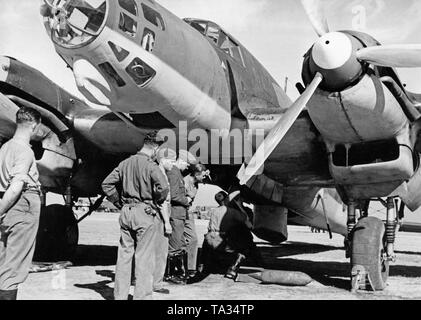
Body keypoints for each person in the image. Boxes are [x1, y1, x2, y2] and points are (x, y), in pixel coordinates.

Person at [102, 131, 169, 300]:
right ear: (155, 147)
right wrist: (156, 201)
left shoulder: (124, 163)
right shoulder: (151, 165)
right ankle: (143, 297)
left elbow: (107, 184)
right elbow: (163, 187)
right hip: (145, 212)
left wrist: (118, 202)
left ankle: (120, 296)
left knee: (124, 256)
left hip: (126, 212)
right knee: (144, 258)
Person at [0, 107, 42, 300]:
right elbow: (16, 186)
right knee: (14, 267)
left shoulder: (5, 148)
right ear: (34, 125)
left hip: (5, 204)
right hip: (21, 204)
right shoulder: (25, 151)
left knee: (3, 262)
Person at [200, 191, 263, 280]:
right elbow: (248, 224)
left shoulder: (214, 211)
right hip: (219, 241)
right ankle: (232, 270)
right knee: (242, 251)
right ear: (227, 199)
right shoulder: (231, 212)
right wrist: (239, 206)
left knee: (209, 244)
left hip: (209, 239)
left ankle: (202, 266)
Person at [152, 147, 177, 294]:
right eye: (171, 161)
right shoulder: (161, 175)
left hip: (154, 215)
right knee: (161, 251)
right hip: (160, 217)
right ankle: (157, 284)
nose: (173, 165)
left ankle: (141, 279)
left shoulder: (155, 172)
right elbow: (162, 202)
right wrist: (167, 222)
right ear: (163, 160)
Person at [165, 153, 191, 284]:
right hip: (176, 214)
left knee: (180, 244)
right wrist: (187, 200)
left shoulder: (177, 174)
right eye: (187, 164)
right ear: (181, 161)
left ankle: (178, 273)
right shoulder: (174, 174)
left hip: (179, 214)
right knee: (175, 244)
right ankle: (170, 275)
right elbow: (174, 196)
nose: (187, 167)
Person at [183, 162, 209, 277]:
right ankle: (187, 268)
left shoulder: (196, 183)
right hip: (181, 212)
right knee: (190, 239)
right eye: (202, 175)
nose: (204, 177)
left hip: (188, 213)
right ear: (196, 174)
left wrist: (206, 173)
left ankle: (190, 268)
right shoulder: (185, 182)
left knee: (192, 240)